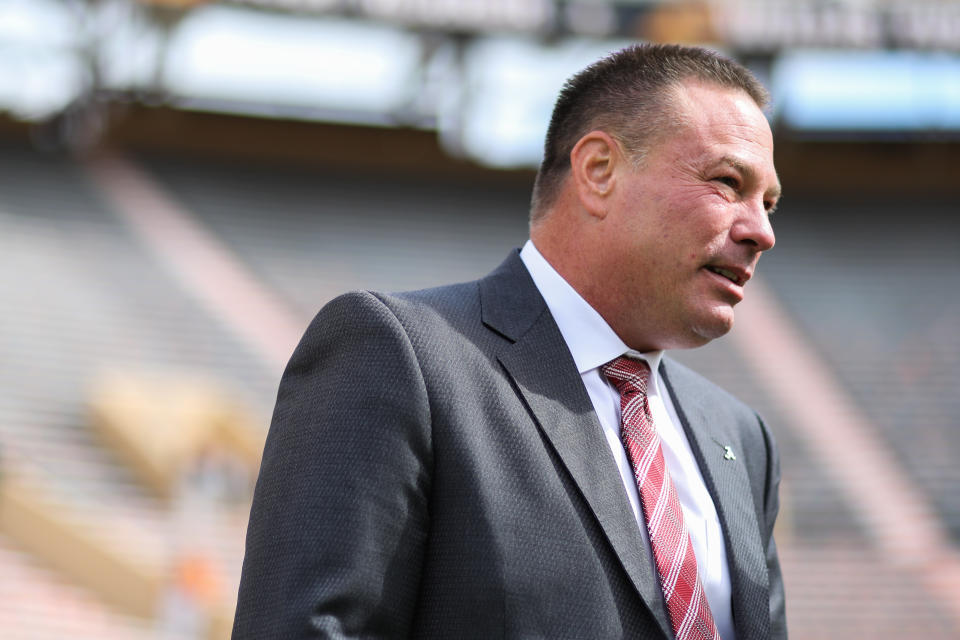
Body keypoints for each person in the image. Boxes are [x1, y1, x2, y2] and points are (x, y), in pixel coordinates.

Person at [233, 43, 785, 640]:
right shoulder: (398, 356)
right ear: (600, 171)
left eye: (770, 202)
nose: (762, 231)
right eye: (729, 183)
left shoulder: (740, 438)